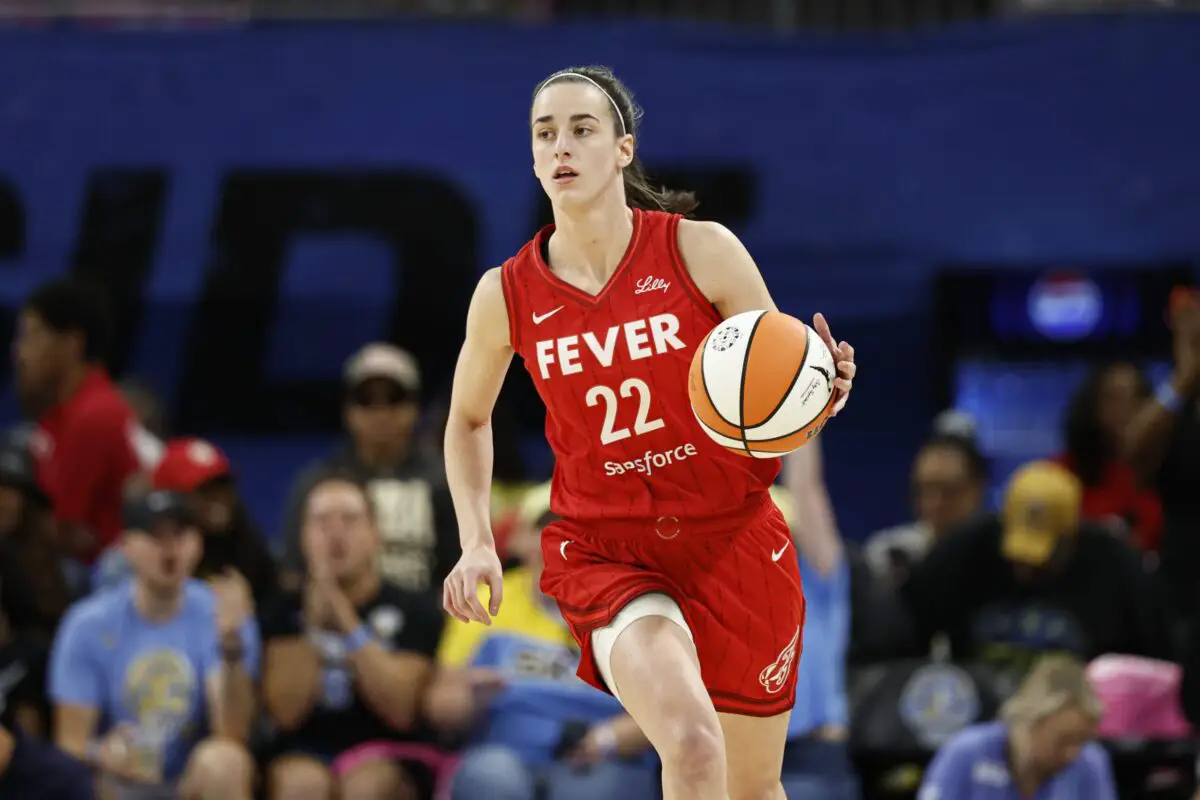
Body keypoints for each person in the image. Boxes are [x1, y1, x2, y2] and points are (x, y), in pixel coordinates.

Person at [440, 65, 857, 800]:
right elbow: (468, 419)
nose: (560, 146)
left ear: (623, 150)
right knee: (693, 747)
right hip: (607, 548)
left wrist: (817, 391)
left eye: (581, 129)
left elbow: (779, 393)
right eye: (545, 134)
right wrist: (476, 539)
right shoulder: (505, 295)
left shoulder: (703, 252)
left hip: (732, 541)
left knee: (752, 786)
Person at [429, 482, 656, 800]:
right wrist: (468, 698)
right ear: (519, 539)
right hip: (504, 754)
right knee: (491, 779)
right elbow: (440, 708)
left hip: (605, 758)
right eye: (546, 528)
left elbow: (677, 711)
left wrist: (609, 739)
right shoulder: (479, 601)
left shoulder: (636, 614)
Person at [48, 490, 258, 800]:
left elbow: (232, 733)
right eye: (154, 536)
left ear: (197, 544)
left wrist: (230, 647)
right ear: (127, 546)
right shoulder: (87, 623)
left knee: (225, 761)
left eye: (179, 534)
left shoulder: (222, 613)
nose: (169, 548)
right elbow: (70, 743)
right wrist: (100, 751)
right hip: (116, 783)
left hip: (188, 783)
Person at [261, 472, 444, 800]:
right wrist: (313, 628)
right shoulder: (281, 610)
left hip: (388, 751)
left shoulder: (416, 608)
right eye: (321, 522)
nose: (335, 533)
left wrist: (345, 620)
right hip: (303, 750)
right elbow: (285, 714)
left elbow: (400, 710)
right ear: (304, 538)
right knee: (301, 785)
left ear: (376, 535)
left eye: (350, 520)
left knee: (366, 788)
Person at [899, 460, 1171, 677]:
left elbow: (1155, 656)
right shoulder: (964, 551)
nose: (1026, 567)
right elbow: (906, 631)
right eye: (1017, 553)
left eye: (1042, 557)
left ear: (1071, 538)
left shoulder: (1115, 566)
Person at [279, 343, 460, 598]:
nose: (381, 413)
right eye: (366, 400)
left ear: (415, 408)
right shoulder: (319, 483)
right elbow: (293, 572)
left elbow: (460, 569)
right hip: (336, 620)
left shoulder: (445, 481)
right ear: (348, 411)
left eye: (394, 399)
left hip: (425, 625)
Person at [13, 276, 162, 565]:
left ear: (71, 344)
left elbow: (61, 531)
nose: (20, 352)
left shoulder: (94, 416)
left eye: (32, 336)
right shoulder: (59, 414)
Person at [917, 654, 1116, 800]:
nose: (1072, 753)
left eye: (1082, 741)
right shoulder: (966, 753)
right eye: (1062, 741)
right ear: (1029, 722)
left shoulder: (1091, 763)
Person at [1054, 361, 1161, 551]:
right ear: (1092, 406)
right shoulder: (1058, 474)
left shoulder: (1165, 474)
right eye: (1113, 399)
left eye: (1136, 398)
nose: (1125, 411)